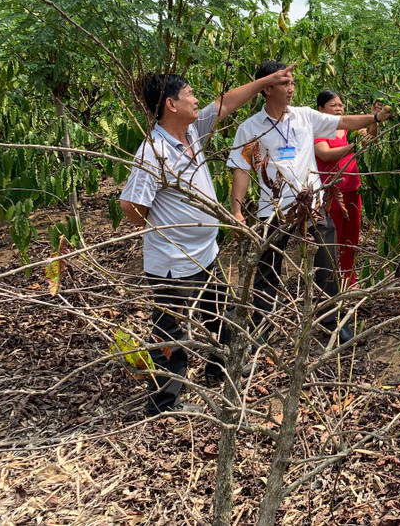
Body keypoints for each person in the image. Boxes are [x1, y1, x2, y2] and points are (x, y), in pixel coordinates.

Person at [119, 67, 293, 415]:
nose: (197, 99)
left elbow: (225, 103)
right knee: (170, 331)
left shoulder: (192, 132)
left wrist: (264, 82)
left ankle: (220, 367)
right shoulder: (153, 152)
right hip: (173, 261)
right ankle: (164, 403)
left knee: (218, 313)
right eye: (189, 94)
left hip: (205, 253)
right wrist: (165, 231)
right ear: (171, 104)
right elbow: (130, 206)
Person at [227, 61, 391, 344]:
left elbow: (344, 122)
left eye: (292, 83)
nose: (291, 89)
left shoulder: (304, 117)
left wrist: (374, 119)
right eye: (284, 84)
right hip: (274, 209)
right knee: (268, 267)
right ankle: (262, 323)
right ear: (266, 88)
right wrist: (237, 211)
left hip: (313, 205)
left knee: (327, 260)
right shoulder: (250, 128)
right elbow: (241, 169)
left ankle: (330, 322)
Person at [313, 90, 381, 288]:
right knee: (331, 240)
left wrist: (374, 119)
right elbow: (325, 155)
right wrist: (355, 145)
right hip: (330, 193)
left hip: (352, 190)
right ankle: (330, 283)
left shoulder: (350, 130)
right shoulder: (318, 130)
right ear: (321, 109)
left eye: (340, 105)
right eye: (333, 105)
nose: (338, 109)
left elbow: (369, 139)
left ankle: (349, 281)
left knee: (351, 239)